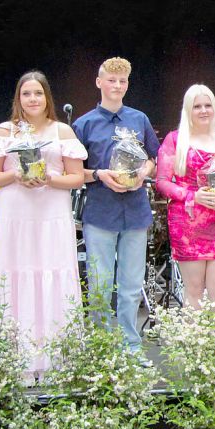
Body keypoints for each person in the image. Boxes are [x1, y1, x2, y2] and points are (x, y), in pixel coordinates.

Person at [0, 70, 87, 377]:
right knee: (15, 275)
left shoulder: (62, 132)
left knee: (53, 273)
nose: (32, 99)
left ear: (46, 97)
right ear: (18, 98)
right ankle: (16, 360)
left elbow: (77, 178)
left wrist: (49, 179)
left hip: (51, 215)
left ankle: (55, 361)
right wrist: (16, 175)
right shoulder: (5, 131)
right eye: (26, 94)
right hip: (16, 217)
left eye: (38, 93)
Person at [72, 57, 160, 363]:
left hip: (135, 211)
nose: (117, 86)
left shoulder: (139, 119)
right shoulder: (83, 125)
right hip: (100, 212)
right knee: (100, 281)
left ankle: (130, 346)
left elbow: (153, 159)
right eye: (111, 80)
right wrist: (100, 175)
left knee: (132, 284)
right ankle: (101, 348)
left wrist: (142, 174)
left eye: (122, 81)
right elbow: (73, 172)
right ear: (99, 82)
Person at [155, 84, 215, 310]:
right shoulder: (175, 140)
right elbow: (162, 182)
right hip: (187, 223)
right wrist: (193, 196)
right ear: (188, 111)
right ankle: (196, 344)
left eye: (208, 105)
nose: (203, 110)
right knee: (194, 289)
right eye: (197, 106)